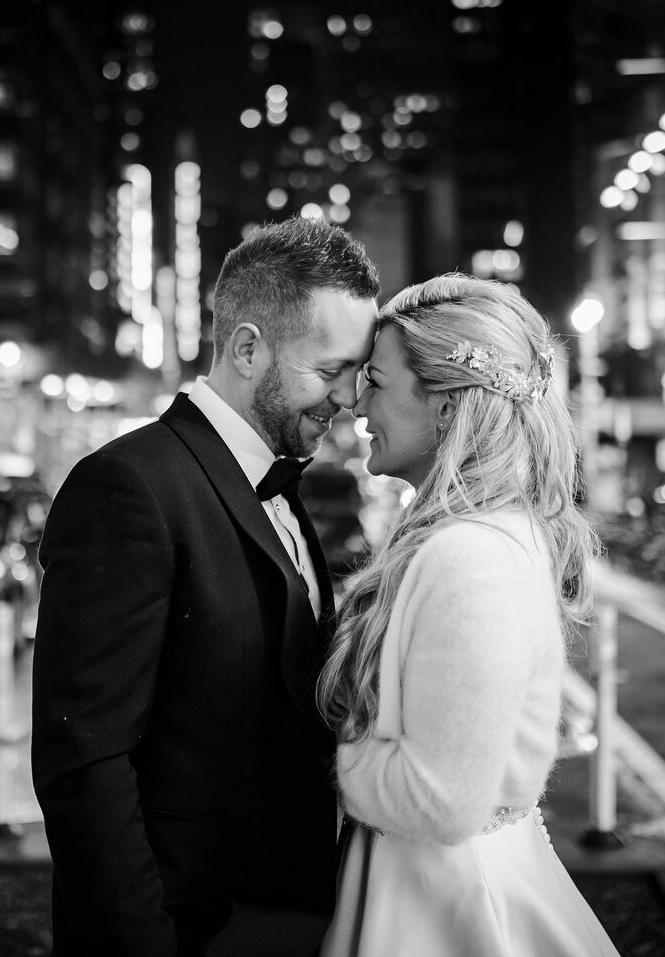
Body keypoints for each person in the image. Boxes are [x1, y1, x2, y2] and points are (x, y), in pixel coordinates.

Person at [31, 216, 380, 956]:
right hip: (188, 930)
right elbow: (85, 763)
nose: (349, 397)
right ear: (248, 348)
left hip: (286, 921)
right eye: (330, 370)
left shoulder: (282, 489)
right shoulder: (127, 487)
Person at [316, 273, 620, 955]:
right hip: (428, 884)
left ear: (447, 406)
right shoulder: (469, 537)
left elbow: (440, 799)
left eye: (379, 380)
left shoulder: (472, 554)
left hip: (446, 906)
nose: (356, 401)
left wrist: (319, 753)